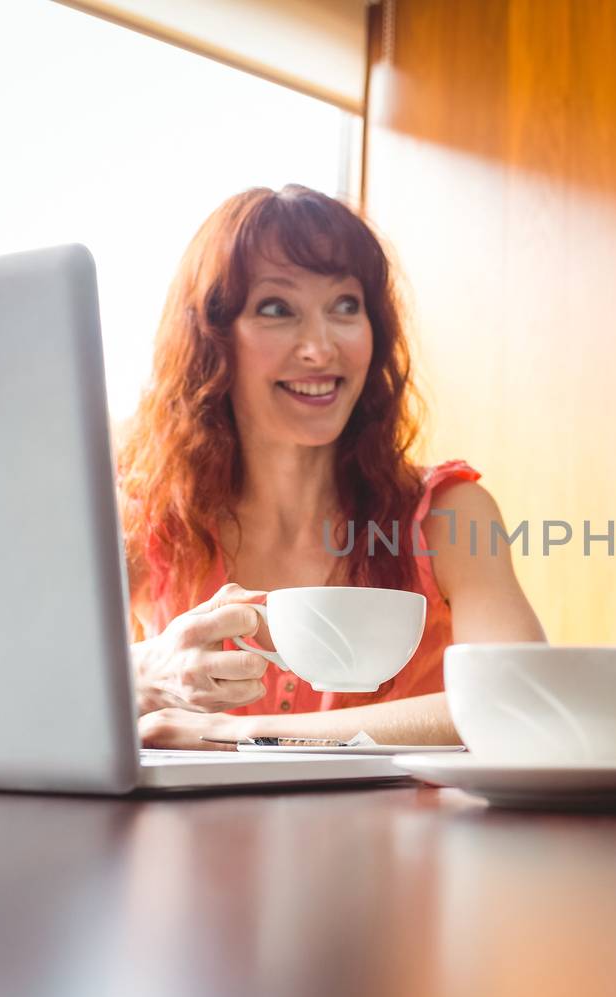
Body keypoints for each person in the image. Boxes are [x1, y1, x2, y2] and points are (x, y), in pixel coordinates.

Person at [119, 185, 544, 748]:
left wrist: (239, 734)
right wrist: (143, 673)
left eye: (346, 306)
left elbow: (523, 699)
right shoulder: (144, 521)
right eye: (277, 309)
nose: (320, 348)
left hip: (411, 839)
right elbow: (13, 685)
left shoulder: (447, 514)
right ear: (212, 338)